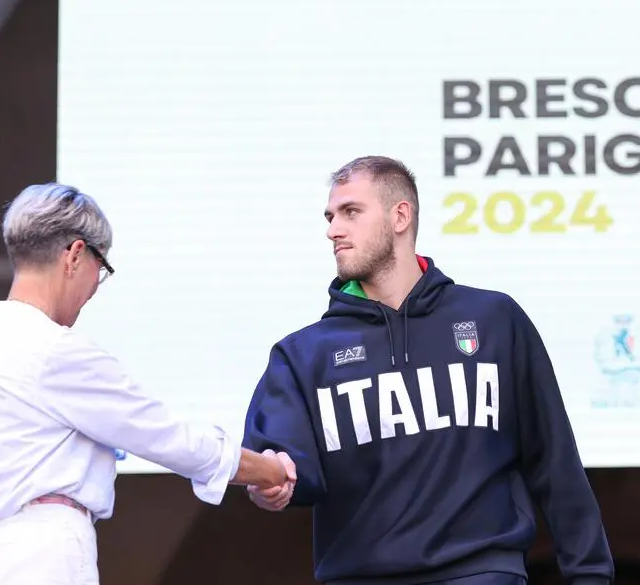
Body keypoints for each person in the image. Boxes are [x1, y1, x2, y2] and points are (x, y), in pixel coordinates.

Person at [242, 156, 614, 585]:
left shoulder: (495, 319)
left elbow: (554, 460)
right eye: (330, 217)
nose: (333, 230)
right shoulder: (304, 354)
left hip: (482, 573)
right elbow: (284, 465)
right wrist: (270, 485)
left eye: (351, 212)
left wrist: (590, 575)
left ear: (401, 215)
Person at [0, 183, 296, 585]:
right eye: (100, 269)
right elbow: (165, 436)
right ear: (74, 254)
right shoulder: (54, 351)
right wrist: (267, 469)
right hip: (39, 557)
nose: (93, 288)